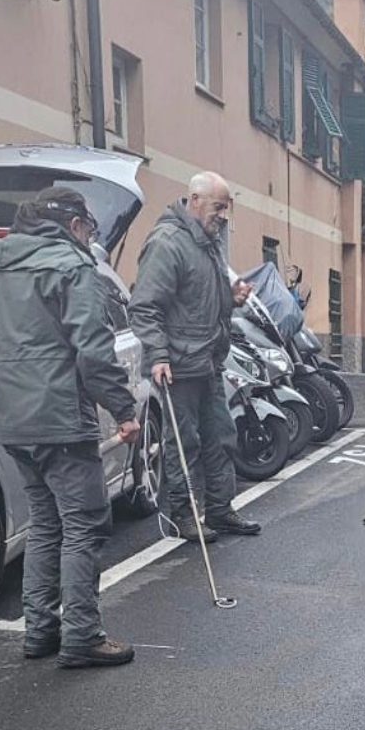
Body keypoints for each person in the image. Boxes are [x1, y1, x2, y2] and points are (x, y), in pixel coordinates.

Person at [0, 187, 142, 668]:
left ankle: (41, 630)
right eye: (90, 229)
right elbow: (94, 350)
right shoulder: (72, 266)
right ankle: (82, 635)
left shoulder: (4, 263)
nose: (90, 238)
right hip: (58, 414)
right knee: (84, 524)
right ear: (75, 225)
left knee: (45, 523)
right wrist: (123, 409)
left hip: (14, 414)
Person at [129, 172, 261, 538]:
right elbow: (145, 307)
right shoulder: (168, 242)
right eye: (219, 207)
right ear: (196, 200)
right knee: (183, 443)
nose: (223, 215)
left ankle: (219, 510)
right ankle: (183, 515)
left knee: (221, 435)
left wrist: (229, 298)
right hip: (178, 365)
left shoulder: (206, 241)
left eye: (226, 208)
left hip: (207, 360)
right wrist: (158, 354)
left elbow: (195, 298)